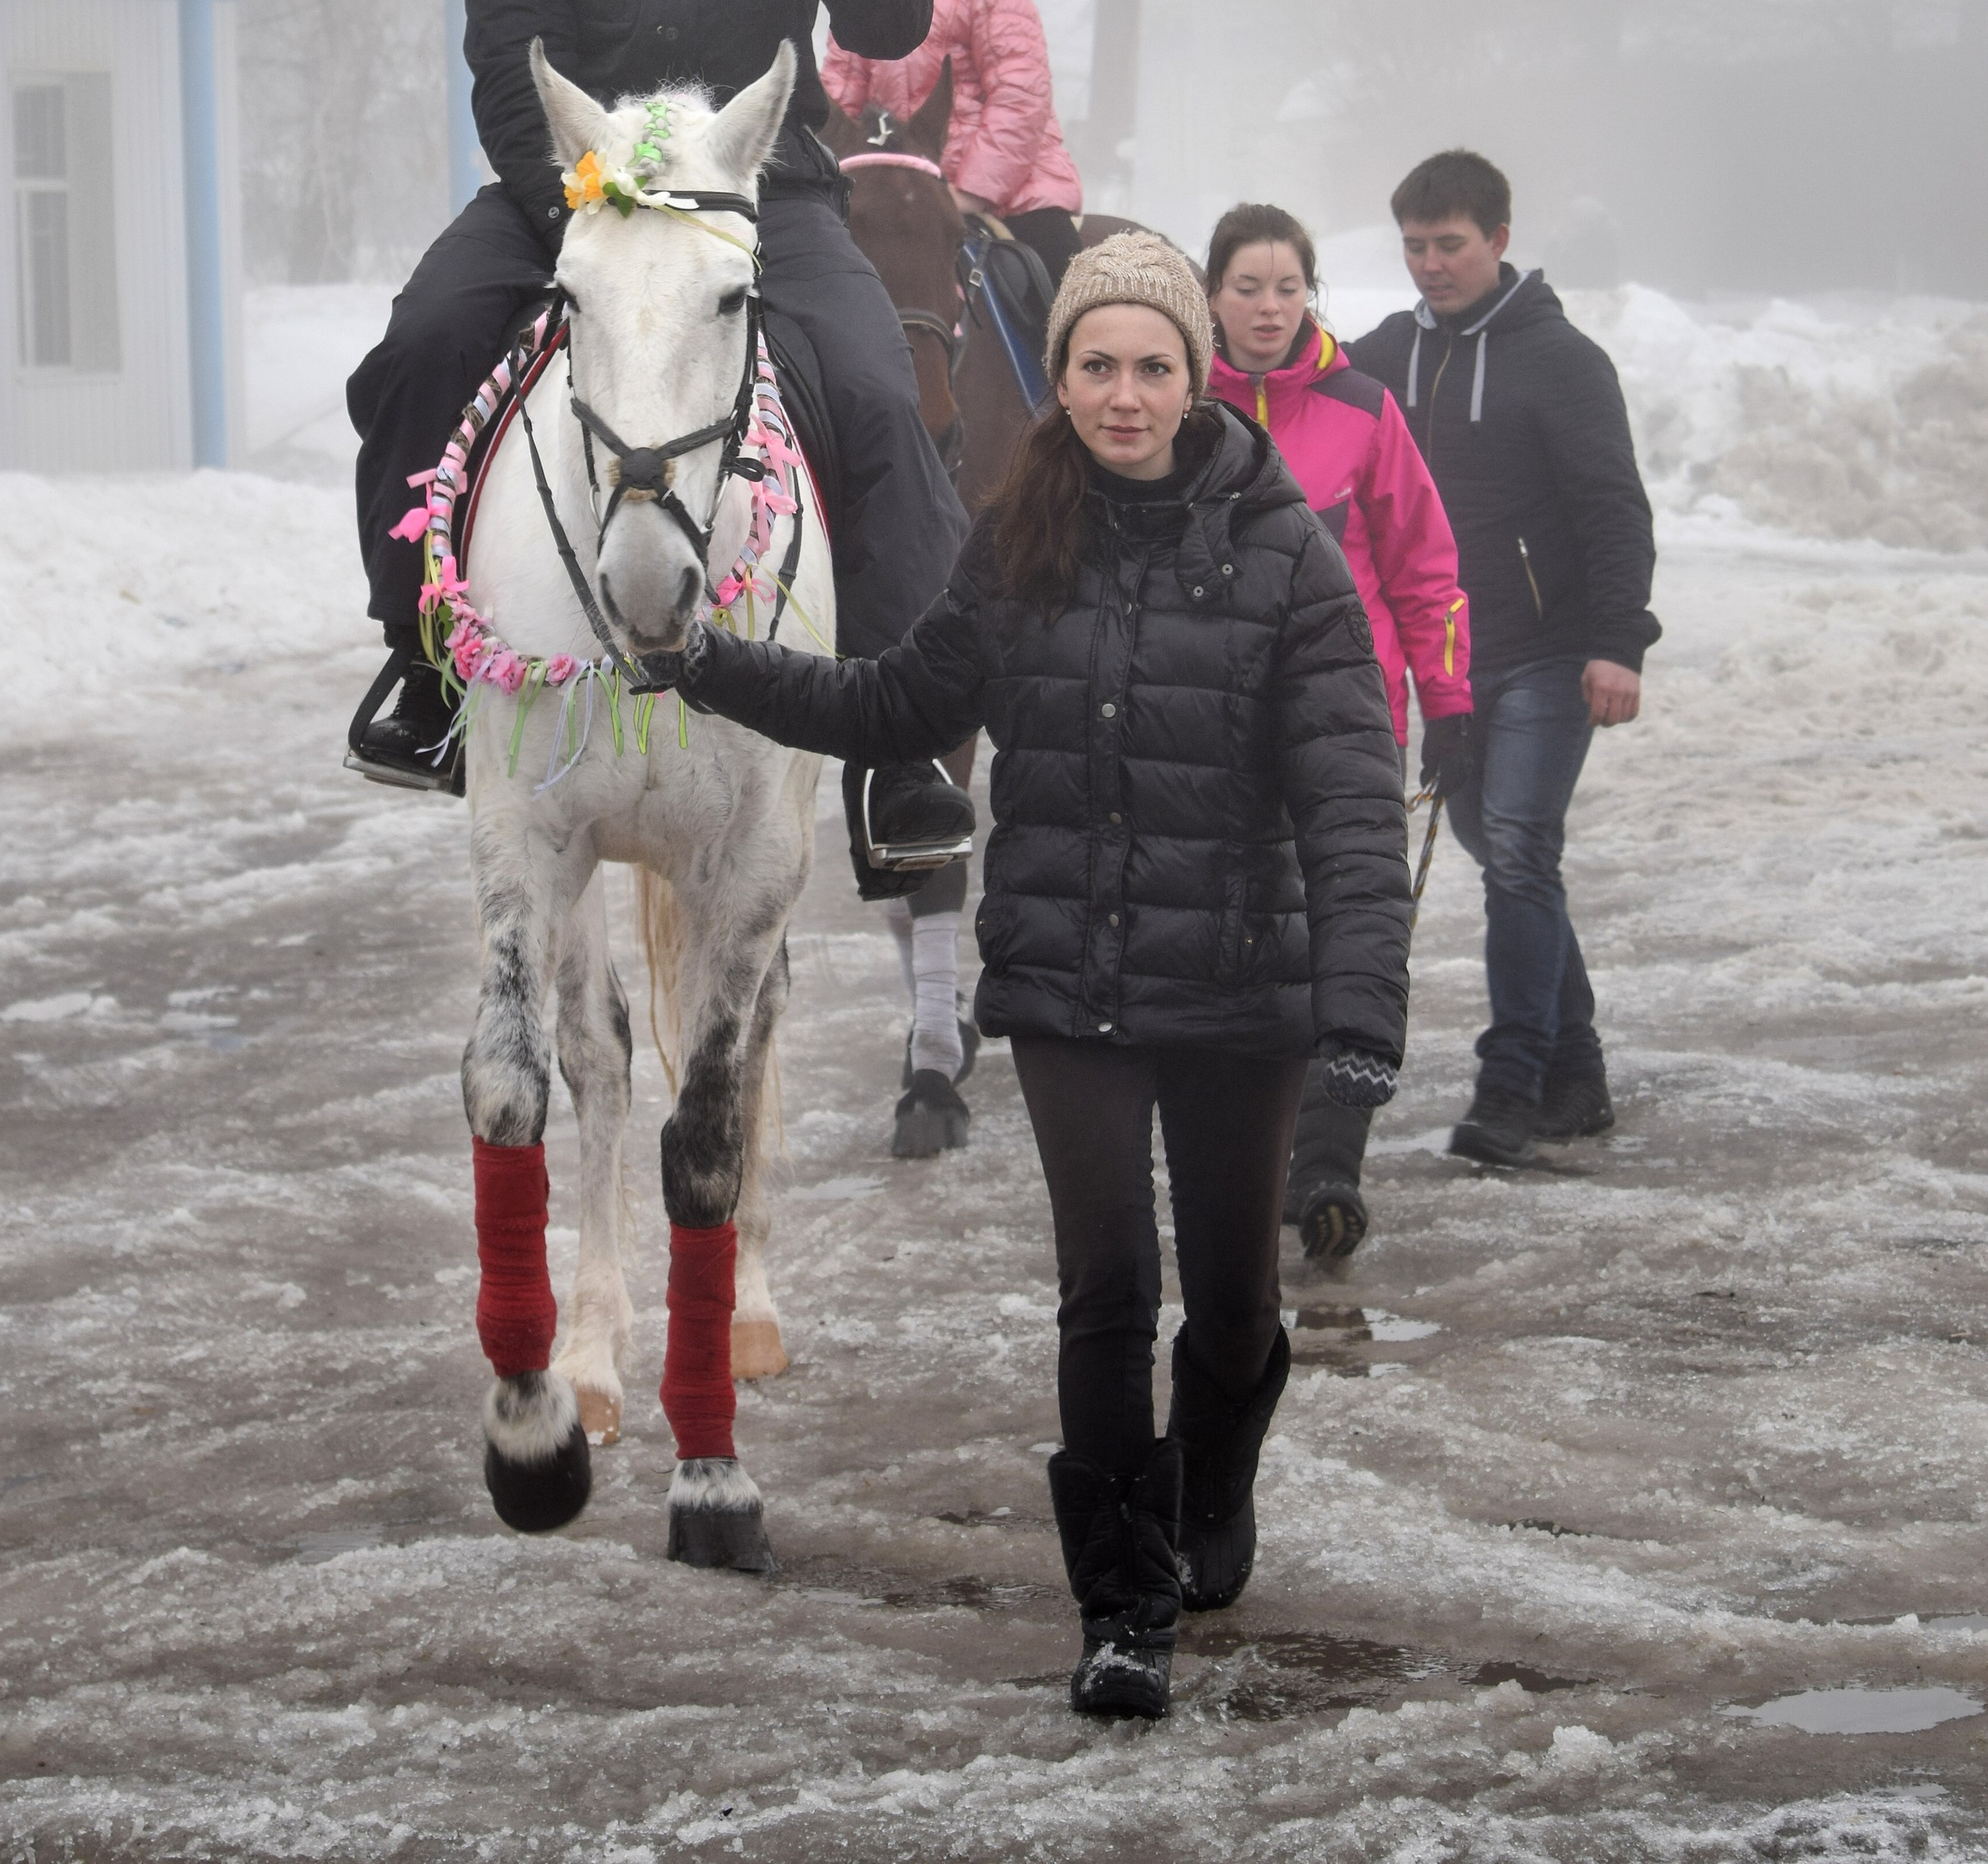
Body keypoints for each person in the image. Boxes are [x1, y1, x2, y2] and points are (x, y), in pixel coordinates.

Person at [657, 232, 1412, 1719]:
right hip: (1072, 975)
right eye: (1094, 365)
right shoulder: (1016, 539)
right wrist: (708, 658)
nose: (1123, 395)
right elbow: (899, 699)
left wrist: (1363, 1008)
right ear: (1057, 377)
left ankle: (1212, 1470)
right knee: (1108, 1286)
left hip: (1241, 981)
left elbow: (1348, 795)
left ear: (1198, 378)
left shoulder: (1287, 552)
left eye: (1152, 366)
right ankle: (1122, 1605)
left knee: (1238, 1301)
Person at [344, 0, 973, 919]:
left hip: (764, 191)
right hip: (568, 185)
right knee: (421, 347)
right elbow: (504, 55)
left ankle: (901, 745)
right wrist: (588, 194)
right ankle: (423, 666)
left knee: (874, 393)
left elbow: (891, 21)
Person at [1349, 149, 1660, 1169]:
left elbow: (1614, 511)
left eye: (1450, 245)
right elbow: (1295, 384)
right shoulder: (1389, 352)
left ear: (1499, 241)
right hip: (1444, 661)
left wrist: (1618, 644)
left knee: (1521, 849)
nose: (1430, 265)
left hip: (1545, 653)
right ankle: (1578, 1072)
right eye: (1414, 247)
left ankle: (1514, 1081)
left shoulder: (1561, 362)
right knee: (1508, 854)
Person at [1205, 201, 1470, 1260]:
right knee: (1242, 934)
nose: (1270, 308)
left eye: (1288, 286)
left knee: (1346, 928)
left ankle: (1327, 1168)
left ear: (1311, 293)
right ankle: (1253, 1147)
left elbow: (1426, 565)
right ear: (1211, 295)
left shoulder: (1364, 407)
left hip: (1349, 716)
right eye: (1248, 287)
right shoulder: (1177, 407)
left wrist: (1448, 702)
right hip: (1213, 721)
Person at [821, 0, 1084, 294]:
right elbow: (839, 96)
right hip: (898, 181)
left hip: (1012, 188)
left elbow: (1020, 94)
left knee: (1067, 295)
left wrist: (972, 191)